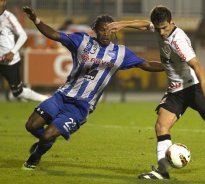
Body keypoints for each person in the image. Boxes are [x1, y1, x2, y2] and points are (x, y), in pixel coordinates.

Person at [107, 5, 205, 179]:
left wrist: (204, 89)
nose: (161, 32)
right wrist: (121, 24)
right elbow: (145, 24)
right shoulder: (159, 28)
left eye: (164, 28)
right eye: (158, 28)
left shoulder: (178, 40)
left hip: (192, 88)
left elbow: (196, 64)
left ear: (171, 22)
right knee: (161, 127)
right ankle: (162, 172)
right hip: (175, 91)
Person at [21, 6, 164, 170]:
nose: (106, 33)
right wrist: (36, 20)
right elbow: (54, 34)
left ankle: (33, 159)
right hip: (62, 96)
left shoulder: (121, 53)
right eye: (102, 30)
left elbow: (146, 64)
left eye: (110, 30)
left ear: (115, 31)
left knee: (47, 134)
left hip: (81, 106)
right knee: (31, 126)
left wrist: (170, 65)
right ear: (95, 30)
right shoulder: (81, 41)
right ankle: (47, 142)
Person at [0, 0, 48, 102]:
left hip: (9, 61)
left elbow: (23, 35)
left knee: (18, 92)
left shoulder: (8, 17)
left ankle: (46, 99)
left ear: (4, 2)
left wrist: (12, 52)